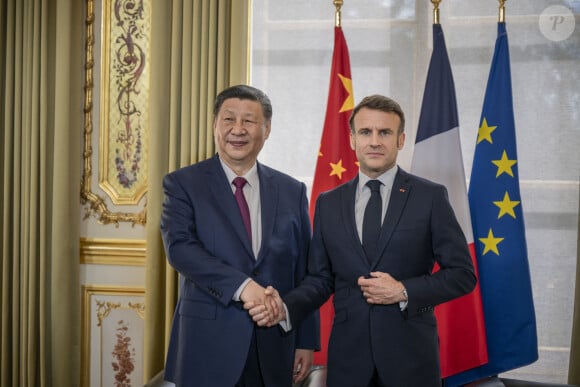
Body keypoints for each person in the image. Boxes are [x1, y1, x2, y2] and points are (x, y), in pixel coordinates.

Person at [247, 94, 477, 387]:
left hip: (411, 360)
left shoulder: (429, 197)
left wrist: (403, 290)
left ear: (400, 140)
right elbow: (320, 279)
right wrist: (284, 306)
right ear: (353, 139)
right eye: (366, 132)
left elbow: (462, 275)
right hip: (348, 362)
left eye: (385, 132)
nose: (375, 141)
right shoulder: (329, 203)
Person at [160, 85, 319, 387]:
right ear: (214, 125)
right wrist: (244, 287)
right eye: (228, 119)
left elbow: (305, 271)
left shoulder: (291, 190)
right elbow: (180, 249)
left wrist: (306, 340)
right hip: (207, 344)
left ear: (267, 129)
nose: (238, 129)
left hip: (275, 342)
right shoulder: (183, 184)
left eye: (249, 121)